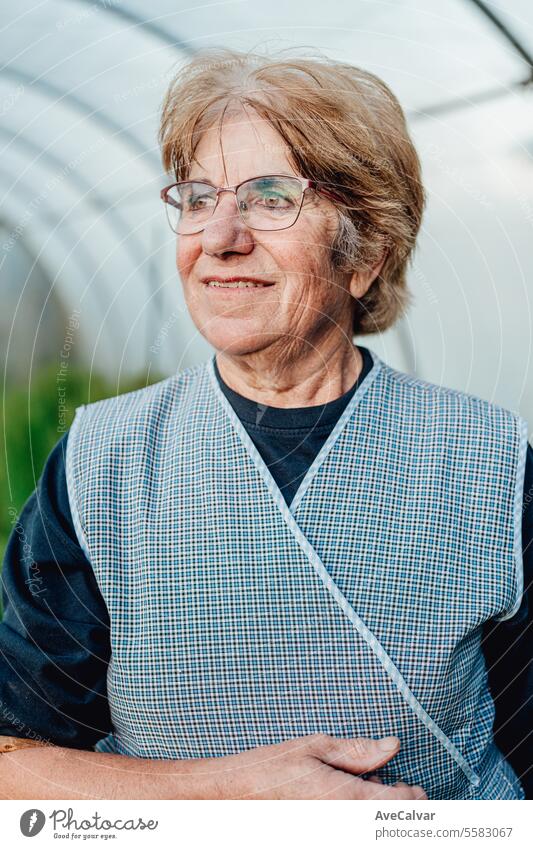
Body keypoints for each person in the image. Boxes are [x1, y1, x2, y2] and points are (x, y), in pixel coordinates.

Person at [0, 48, 531, 800]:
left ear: (365, 253)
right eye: (196, 197)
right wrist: (223, 792)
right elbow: (14, 758)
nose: (219, 236)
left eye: (270, 197)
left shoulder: (490, 461)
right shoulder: (101, 466)